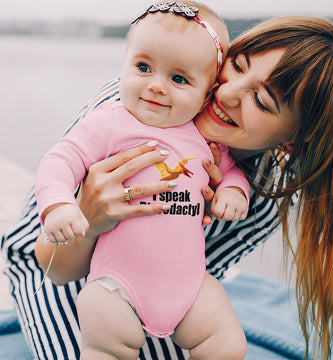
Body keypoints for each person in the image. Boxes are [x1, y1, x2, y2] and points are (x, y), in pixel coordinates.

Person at [2, 14, 333, 360]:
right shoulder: (138, 101)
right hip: (51, 262)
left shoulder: (263, 198)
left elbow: (187, 288)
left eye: (262, 101)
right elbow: (56, 268)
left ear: (292, 142)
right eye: (237, 65)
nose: (227, 94)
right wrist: (90, 214)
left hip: (153, 287)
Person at [34, 2, 249, 359]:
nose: (156, 86)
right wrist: (58, 205)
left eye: (178, 79)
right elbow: (60, 159)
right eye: (143, 67)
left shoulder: (200, 137)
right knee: (106, 346)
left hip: (189, 286)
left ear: (207, 93)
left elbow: (231, 171)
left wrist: (233, 190)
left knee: (226, 343)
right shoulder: (110, 123)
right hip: (116, 285)